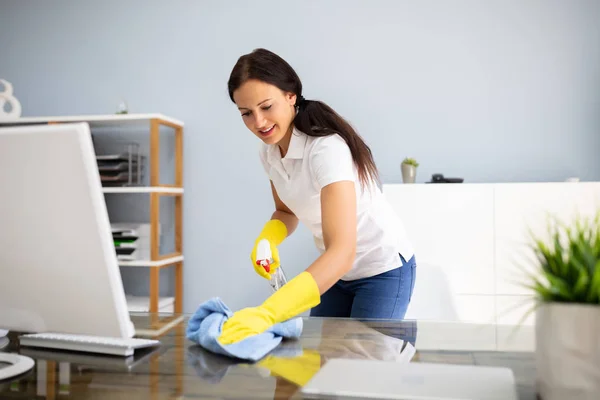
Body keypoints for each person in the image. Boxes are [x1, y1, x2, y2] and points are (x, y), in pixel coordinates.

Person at [218, 48, 416, 345]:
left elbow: (343, 251)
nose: (258, 122)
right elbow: (285, 212)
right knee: (325, 365)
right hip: (338, 272)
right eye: (246, 113)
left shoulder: (326, 149)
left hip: (381, 268)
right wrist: (267, 239)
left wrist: (269, 312)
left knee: (367, 366)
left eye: (266, 106)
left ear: (291, 96)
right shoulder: (269, 152)